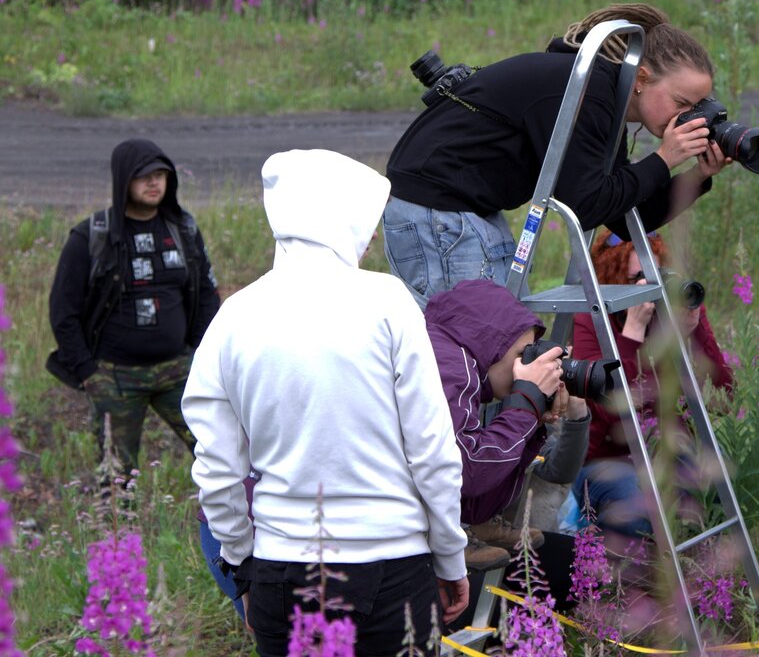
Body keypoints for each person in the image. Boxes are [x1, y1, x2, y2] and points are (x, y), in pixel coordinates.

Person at [182, 149, 468, 656]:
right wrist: (450, 557)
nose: (374, 235)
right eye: (367, 219)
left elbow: (217, 470)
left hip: (281, 570)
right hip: (394, 569)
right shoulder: (388, 302)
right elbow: (432, 450)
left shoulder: (233, 317)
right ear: (341, 219)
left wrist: (242, 567)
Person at [383, 3, 731, 305]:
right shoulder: (588, 90)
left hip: (459, 210)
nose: (686, 116)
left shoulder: (600, 96)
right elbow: (587, 204)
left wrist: (698, 175)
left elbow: (624, 216)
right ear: (642, 77)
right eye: (681, 103)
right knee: (472, 350)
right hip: (439, 211)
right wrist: (664, 158)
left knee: (494, 346)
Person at [47, 138, 220, 478]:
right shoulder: (90, 237)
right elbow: (62, 311)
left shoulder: (183, 229)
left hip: (179, 372)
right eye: (144, 176)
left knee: (220, 456)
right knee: (117, 479)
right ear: (123, 179)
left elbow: (206, 294)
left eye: (160, 174)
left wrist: (199, 352)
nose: (154, 182)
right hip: (114, 377)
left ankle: (225, 526)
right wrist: (87, 372)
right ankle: (119, 532)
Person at [424, 278, 590, 611]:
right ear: (489, 343)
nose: (522, 369)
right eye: (520, 355)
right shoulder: (452, 367)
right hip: (392, 560)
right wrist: (524, 404)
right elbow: (467, 473)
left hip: (422, 537)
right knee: (533, 596)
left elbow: (476, 506)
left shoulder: (464, 367)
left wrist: (531, 421)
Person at [570, 230, 733, 541]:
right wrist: (632, 332)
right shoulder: (588, 321)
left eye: (658, 277)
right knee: (638, 508)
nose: (650, 291)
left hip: (666, 448)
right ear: (612, 278)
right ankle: (609, 561)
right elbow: (605, 417)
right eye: (638, 279)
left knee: (719, 475)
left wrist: (695, 332)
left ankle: (698, 558)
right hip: (608, 458)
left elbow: (724, 398)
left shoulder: (671, 315)